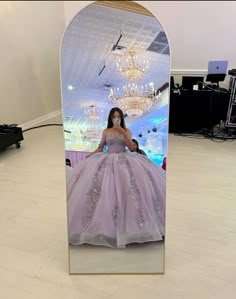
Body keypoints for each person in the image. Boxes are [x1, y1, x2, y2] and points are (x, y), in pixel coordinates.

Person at [67, 107, 166, 248]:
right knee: (103, 190)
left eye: (118, 116)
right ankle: (102, 228)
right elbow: (101, 147)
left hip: (124, 159)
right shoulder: (105, 131)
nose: (116, 119)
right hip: (107, 159)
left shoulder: (127, 131)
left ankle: (134, 229)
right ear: (110, 118)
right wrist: (91, 154)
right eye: (114, 116)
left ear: (121, 118)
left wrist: (123, 133)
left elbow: (132, 148)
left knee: (129, 189)